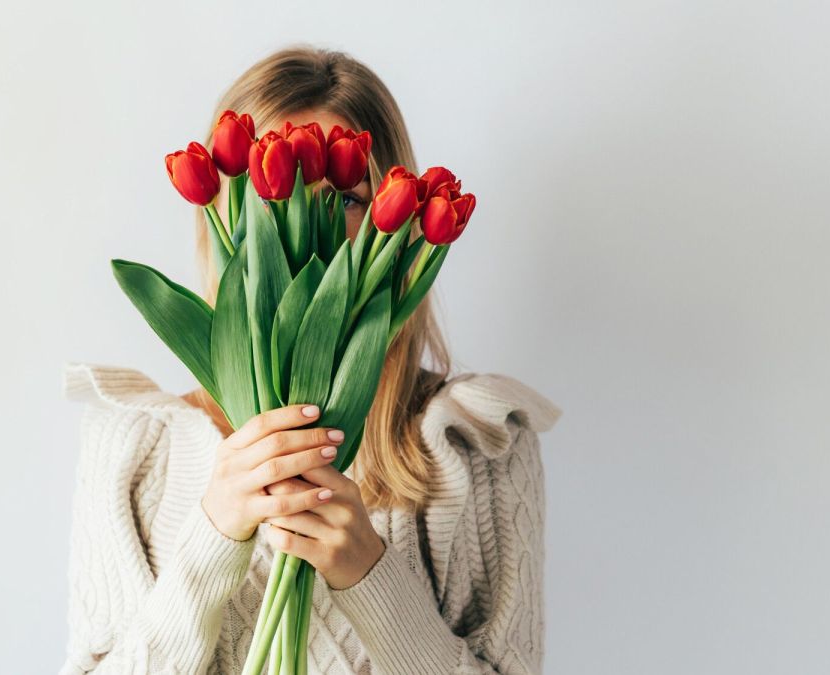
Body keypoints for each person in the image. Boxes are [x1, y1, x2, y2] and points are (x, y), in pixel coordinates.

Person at [58, 44, 563, 675]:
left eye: (346, 198)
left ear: (393, 214)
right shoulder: (134, 448)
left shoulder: (475, 444)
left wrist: (371, 577)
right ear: (221, 206)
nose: (305, 226)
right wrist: (213, 538)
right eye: (277, 190)